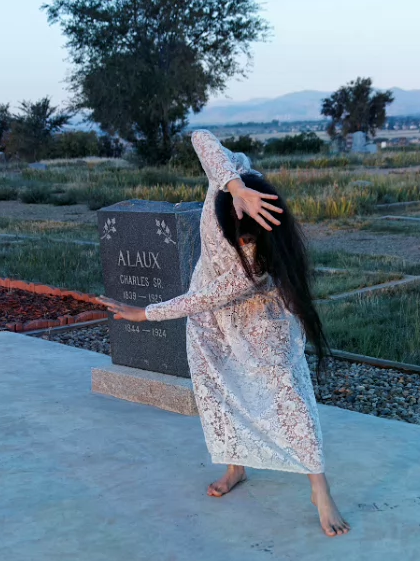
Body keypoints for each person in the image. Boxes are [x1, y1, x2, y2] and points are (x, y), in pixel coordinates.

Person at [100, 130, 350, 537]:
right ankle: (237, 467)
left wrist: (145, 314)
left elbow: (201, 298)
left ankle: (319, 489)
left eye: (251, 240)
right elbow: (201, 138)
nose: (245, 244)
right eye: (241, 238)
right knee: (218, 392)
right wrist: (234, 186)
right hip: (210, 324)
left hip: (256, 322)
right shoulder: (231, 183)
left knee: (289, 396)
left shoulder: (257, 267)